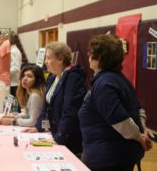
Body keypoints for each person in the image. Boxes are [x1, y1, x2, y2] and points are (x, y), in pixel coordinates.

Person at [78, 34, 152, 171]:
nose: (88, 56)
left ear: (99, 57)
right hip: (114, 155)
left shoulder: (105, 84)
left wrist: (139, 137)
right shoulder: (118, 78)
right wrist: (141, 132)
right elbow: (139, 110)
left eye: (91, 53)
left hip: (108, 159)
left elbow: (120, 121)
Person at [23, 42, 87, 156]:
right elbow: (46, 107)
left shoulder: (73, 78)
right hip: (55, 133)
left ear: (61, 59)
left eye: (48, 58)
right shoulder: (52, 78)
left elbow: (69, 111)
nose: (45, 62)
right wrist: (38, 127)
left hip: (69, 138)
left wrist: (59, 138)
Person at [9, 32, 22, 112]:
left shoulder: (14, 51)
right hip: (13, 83)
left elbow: (16, 68)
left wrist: (5, 74)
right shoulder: (13, 50)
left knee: (15, 109)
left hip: (14, 84)